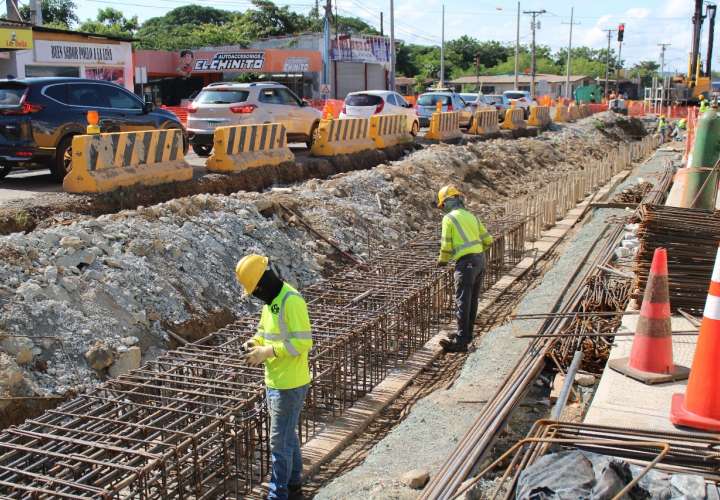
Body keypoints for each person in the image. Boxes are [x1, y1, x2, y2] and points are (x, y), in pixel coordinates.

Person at [236, 254, 312, 500]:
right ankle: (293, 485)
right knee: (287, 435)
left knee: (278, 443)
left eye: (255, 290)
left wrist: (268, 352)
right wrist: (254, 343)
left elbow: (303, 342)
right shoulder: (271, 302)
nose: (256, 295)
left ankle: (278, 495)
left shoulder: (291, 300)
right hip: (276, 381)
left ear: (261, 284)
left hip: (290, 384)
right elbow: (263, 332)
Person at [436, 185, 493, 353]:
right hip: (479, 260)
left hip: (465, 264)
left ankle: (461, 342)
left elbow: (446, 245)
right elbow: (488, 240)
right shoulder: (471, 216)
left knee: (462, 300)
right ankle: (466, 335)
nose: (443, 209)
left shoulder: (449, 219)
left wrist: (442, 261)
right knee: (472, 299)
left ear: (448, 201)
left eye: (443, 205)